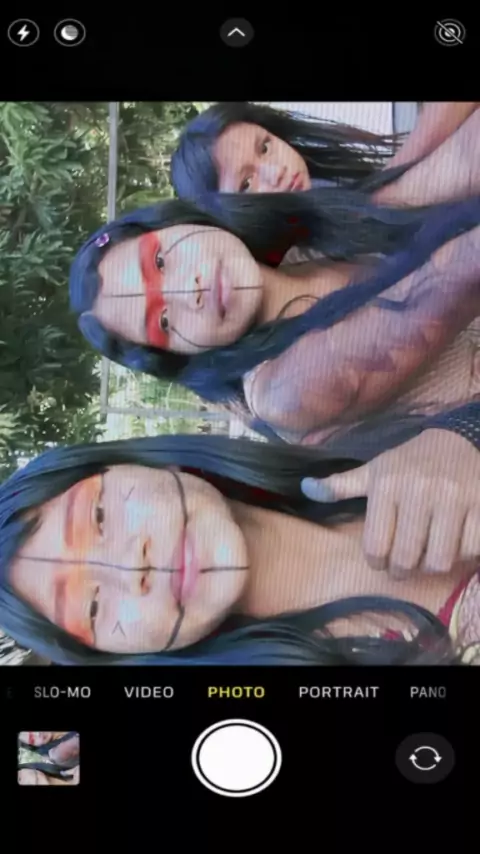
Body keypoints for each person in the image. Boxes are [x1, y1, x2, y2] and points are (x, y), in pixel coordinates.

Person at [1, 434, 477, 666]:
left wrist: (465, 437)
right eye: (93, 606)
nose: (131, 566)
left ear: (136, 463)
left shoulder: (376, 434)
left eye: (100, 516)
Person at [171, 101, 480, 209]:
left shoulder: (324, 186)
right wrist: (390, 186)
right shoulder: (298, 264)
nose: (275, 172)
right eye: (246, 184)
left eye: (265, 147)